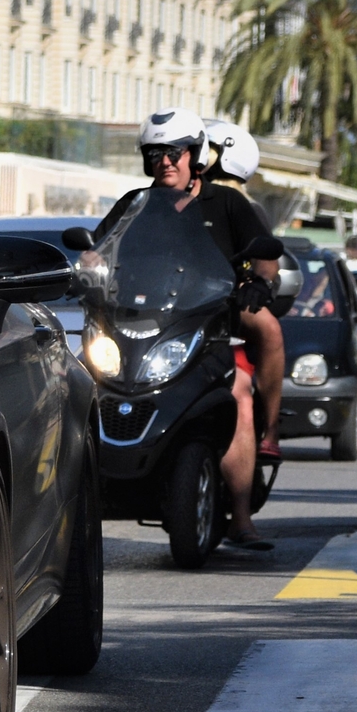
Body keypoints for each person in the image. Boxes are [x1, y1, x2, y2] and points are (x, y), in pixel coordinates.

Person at [93, 110, 280, 551]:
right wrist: (87, 269)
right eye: (155, 154)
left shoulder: (228, 204)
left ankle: (241, 515)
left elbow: (267, 258)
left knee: (239, 397)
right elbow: (99, 251)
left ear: (195, 155)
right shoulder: (135, 205)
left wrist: (257, 283)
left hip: (209, 330)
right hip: (143, 329)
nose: (165, 162)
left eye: (175, 152)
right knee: (76, 385)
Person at [204, 117, 288, 460]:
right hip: (177, 302)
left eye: (204, 149)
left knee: (270, 329)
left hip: (228, 301)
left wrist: (255, 283)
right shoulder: (172, 200)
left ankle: (270, 429)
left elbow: (267, 263)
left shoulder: (242, 206)